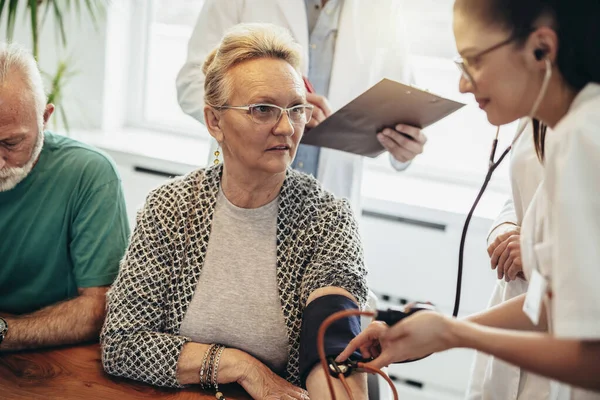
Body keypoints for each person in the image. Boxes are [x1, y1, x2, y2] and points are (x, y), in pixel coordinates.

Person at [338, 0, 600, 398]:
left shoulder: (584, 136)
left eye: (474, 61)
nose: (463, 84)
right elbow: (553, 302)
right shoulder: (563, 128)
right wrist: (445, 331)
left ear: (541, 48)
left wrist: (455, 333)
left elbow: (591, 354)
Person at [101, 23, 369, 400]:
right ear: (214, 122)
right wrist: (241, 366)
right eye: (263, 109)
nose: (285, 127)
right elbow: (122, 344)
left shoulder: (326, 219)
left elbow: (333, 345)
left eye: (296, 109)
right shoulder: (170, 209)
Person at [176, 0, 428, 208]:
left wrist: (405, 147)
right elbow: (192, 83)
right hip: (243, 194)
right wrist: (269, 106)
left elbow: (405, 101)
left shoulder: (384, 8)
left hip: (328, 201)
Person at [0, 42, 130, 351]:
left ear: (45, 119)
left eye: (11, 143)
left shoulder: (90, 176)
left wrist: (5, 333)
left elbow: (101, 308)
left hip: (58, 356)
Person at [467, 124, 558, 399]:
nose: (464, 86)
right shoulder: (537, 110)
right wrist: (504, 229)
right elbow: (521, 193)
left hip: (562, 348)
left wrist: (536, 253)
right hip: (515, 303)